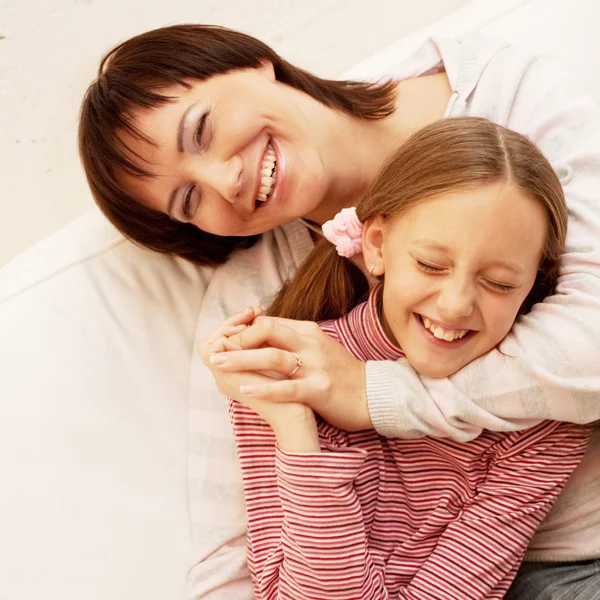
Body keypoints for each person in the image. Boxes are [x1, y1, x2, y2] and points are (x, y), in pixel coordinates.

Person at [78, 24, 600, 599]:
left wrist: (372, 396)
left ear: (254, 63)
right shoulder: (262, 311)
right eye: (188, 200)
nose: (225, 181)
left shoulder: (508, 92)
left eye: (201, 131)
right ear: (374, 244)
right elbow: (229, 556)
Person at [213, 116, 591, 599]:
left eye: (498, 283)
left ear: (531, 285)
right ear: (376, 246)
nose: (455, 305)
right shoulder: (283, 375)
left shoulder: (544, 423)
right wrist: (295, 432)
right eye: (431, 265)